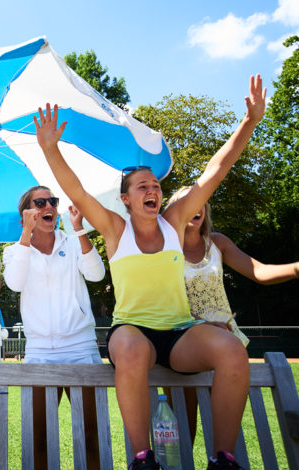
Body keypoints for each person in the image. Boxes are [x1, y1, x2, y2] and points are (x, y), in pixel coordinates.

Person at [34, 74, 266, 470]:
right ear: (125, 199)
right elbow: (76, 192)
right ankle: (142, 458)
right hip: (132, 331)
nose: (152, 190)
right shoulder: (114, 228)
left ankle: (223, 458)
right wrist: (51, 150)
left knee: (231, 350)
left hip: (179, 334)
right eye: (141, 186)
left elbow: (216, 169)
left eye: (155, 184)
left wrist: (249, 122)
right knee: (130, 349)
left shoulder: (175, 222)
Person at [164, 187, 299, 444]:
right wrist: (202, 324)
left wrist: (295, 269)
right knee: (184, 433)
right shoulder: (163, 249)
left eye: (201, 201)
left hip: (228, 342)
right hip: (182, 343)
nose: (197, 206)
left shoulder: (218, 243)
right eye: (187, 202)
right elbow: (162, 300)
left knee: (225, 434)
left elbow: (258, 271)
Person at [3, 186, 105, 470]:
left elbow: (97, 274)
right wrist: (26, 234)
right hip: (39, 352)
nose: (49, 206)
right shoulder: (14, 251)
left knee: (91, 434)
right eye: (41, 202)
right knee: (38, 437)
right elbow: (14, 283)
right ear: (28, 212)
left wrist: (80, 230)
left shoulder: (73, 242)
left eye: (53, 201)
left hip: (80, 347)